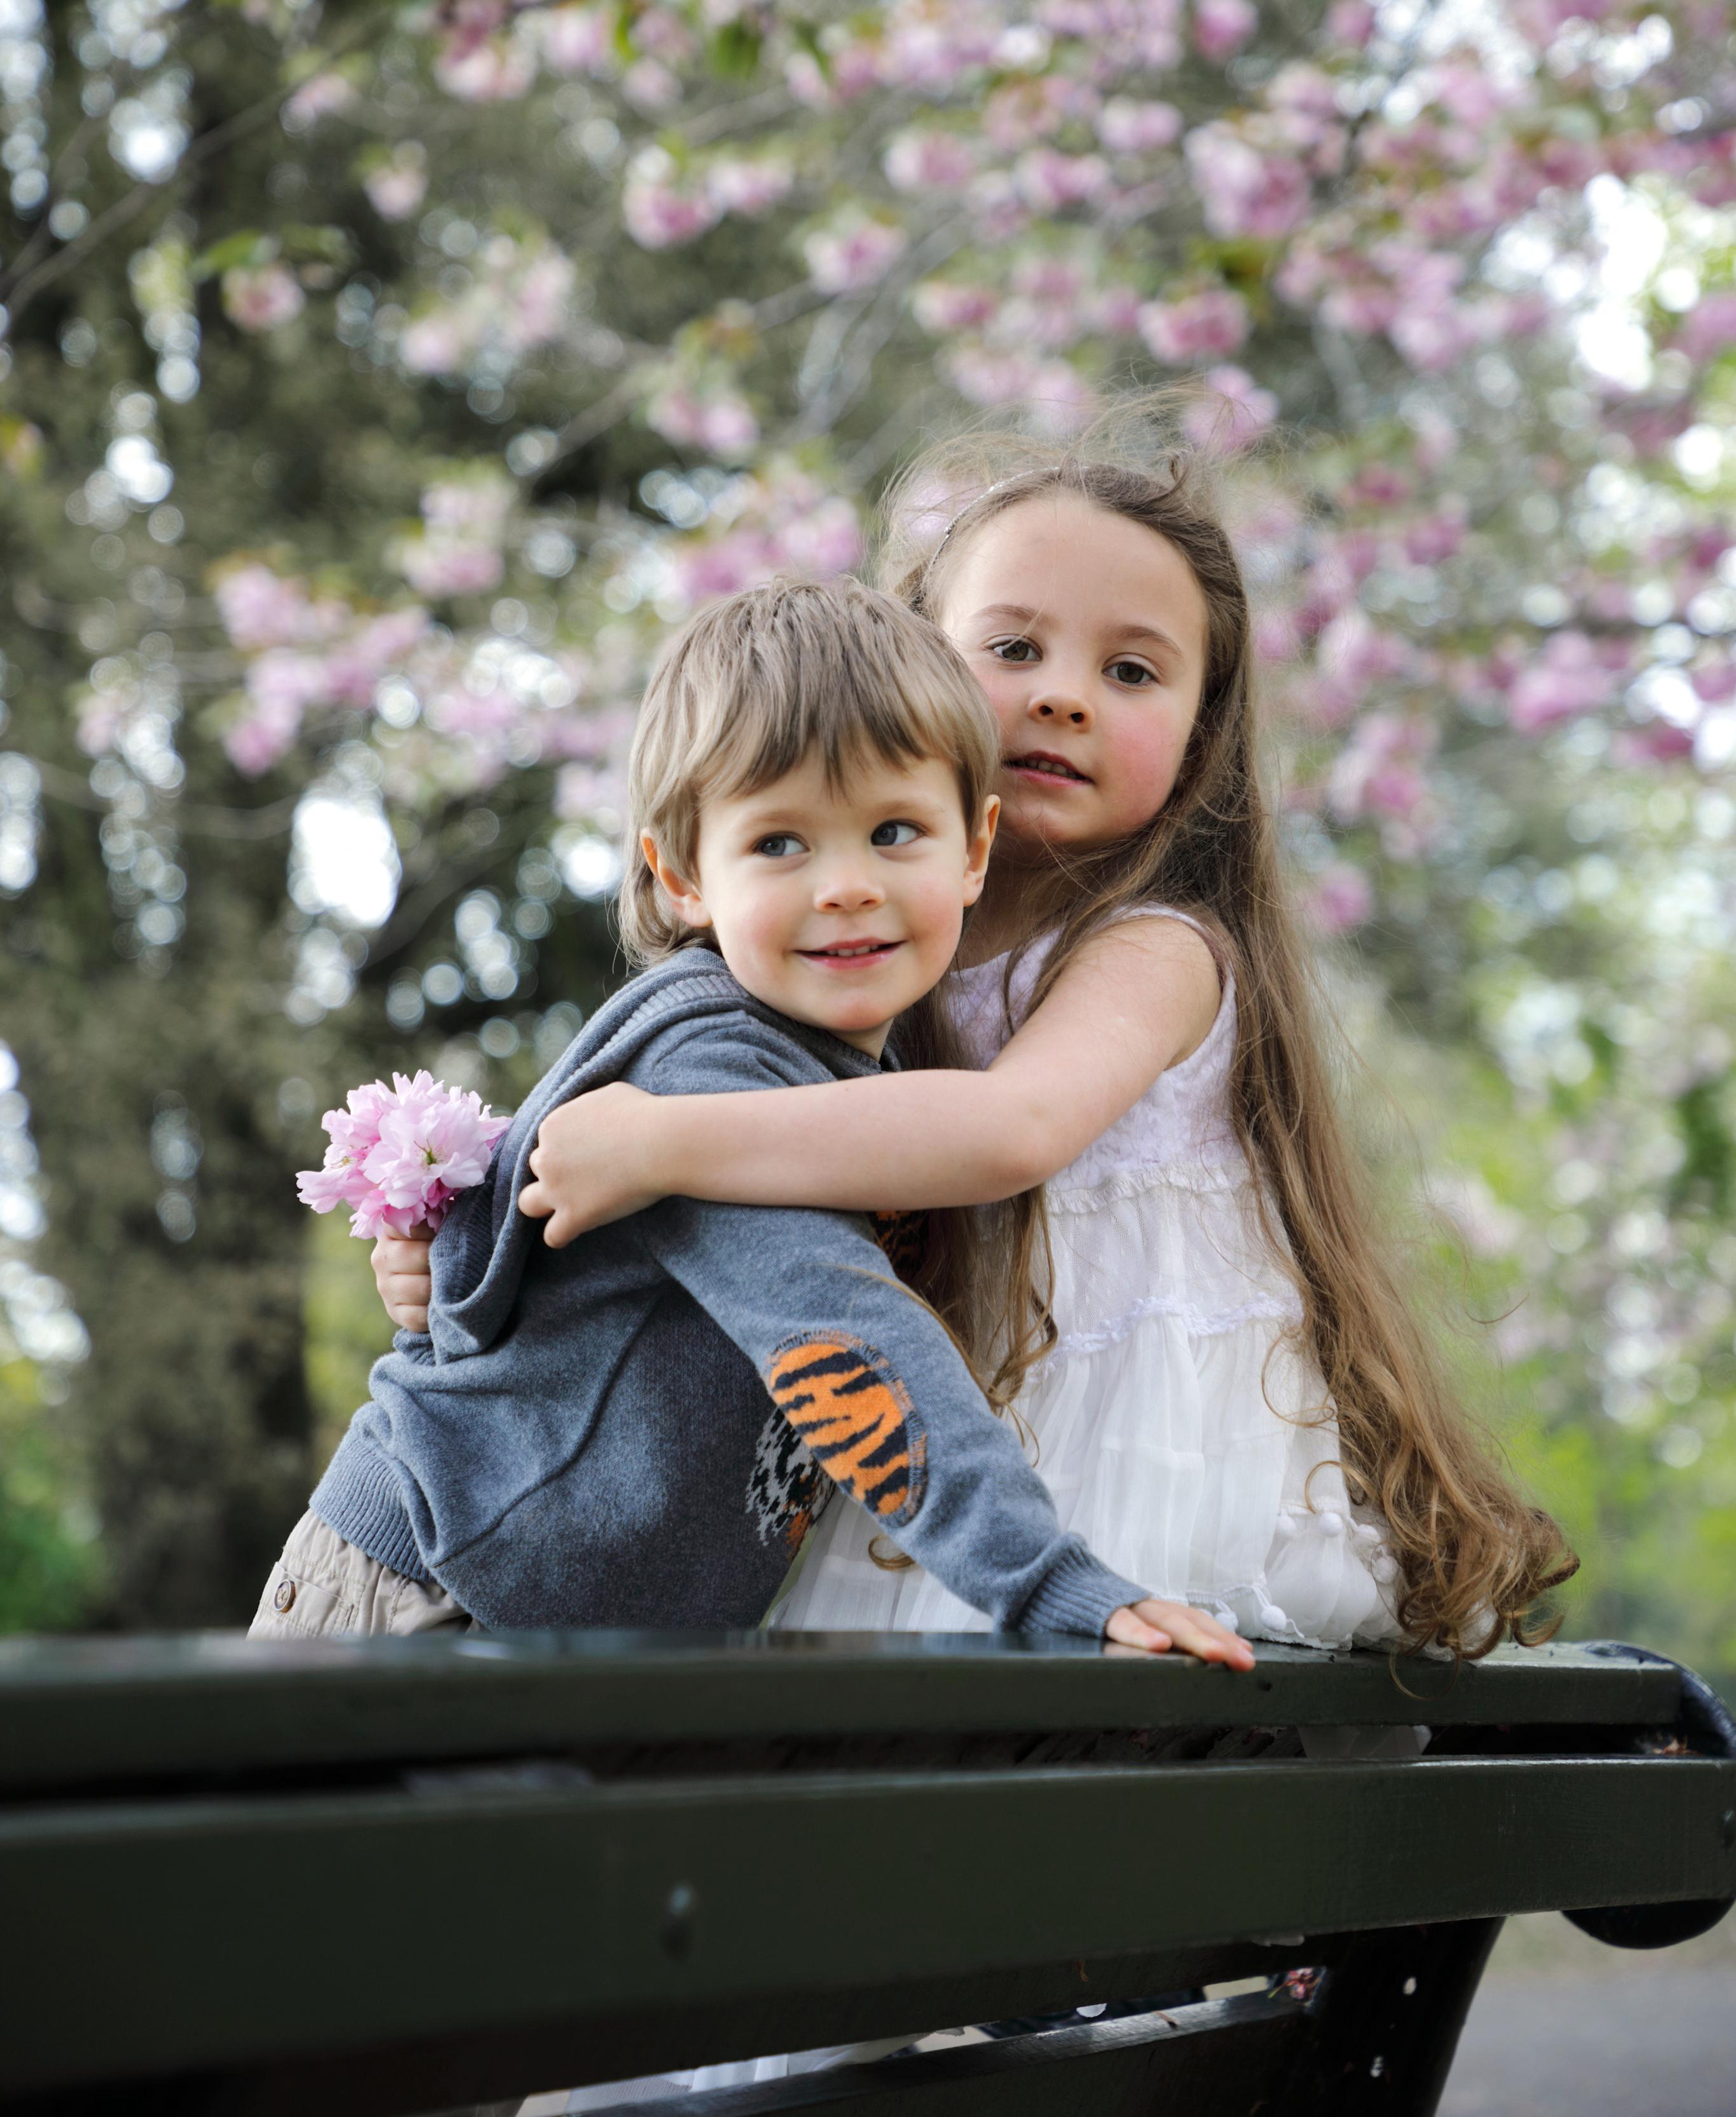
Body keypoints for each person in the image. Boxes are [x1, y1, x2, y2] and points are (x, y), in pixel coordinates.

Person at [375, 443, 1573, 1666]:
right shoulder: (856, 958)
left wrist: (666, 1147)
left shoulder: (1156, 949)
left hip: (1128, 1438)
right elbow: (715, 1234)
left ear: (1203, 730)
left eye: (1131, 670)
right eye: (1013, 650)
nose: (1065, 695)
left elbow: (1010, 1132)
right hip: (932, 1440)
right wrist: (468, 1257)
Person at [252, 573, 1247, 1662]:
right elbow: (846, 1337)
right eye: (781, 844)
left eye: (895, 831)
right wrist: (1049, 1582)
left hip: (565, 1619)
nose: (847, 886)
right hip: (438, 1592)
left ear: (973, 848)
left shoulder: (853, 1066)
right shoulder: (708, 1066)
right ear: (681, 874)